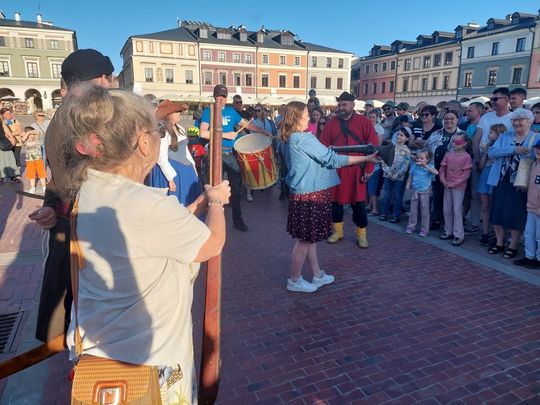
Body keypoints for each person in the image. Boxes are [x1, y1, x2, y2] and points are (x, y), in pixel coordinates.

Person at [56, 84, 229, 403]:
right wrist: (217, 203)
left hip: (102, 348)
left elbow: (152, 234)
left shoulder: (90, 189)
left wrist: (199, 203)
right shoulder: (146, 204)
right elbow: (211, 244)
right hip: (150, 357)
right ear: (144, 143)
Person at [29, 48, 116, 343]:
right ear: (96, 80)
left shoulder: (64, 115)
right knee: (92, 324)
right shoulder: (82, 119)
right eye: (107, 78)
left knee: (75, 318)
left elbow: (57, 177)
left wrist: (50, 205)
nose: (111, 85)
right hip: (85, 233)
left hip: (72, 226)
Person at [282, 101, 378, 293]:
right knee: (305, 241)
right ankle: (294, 280)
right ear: (298, 118)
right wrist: (366, 158)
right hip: (310, 193)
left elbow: (325, 154)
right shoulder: (302, 139)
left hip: (307, 192)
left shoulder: (294, 137)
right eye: (306, 114)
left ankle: (317, 275)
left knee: (310, 239)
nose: (309, 117)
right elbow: (332, 159)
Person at [319, 91, 379, 248]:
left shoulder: (364, 122)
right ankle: (337, 231)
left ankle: (361, 234)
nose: (341, 107)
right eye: (339, 105)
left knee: (359, 205)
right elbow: (322, 145)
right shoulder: (331, 123)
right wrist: (327, 152)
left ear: (352, 105)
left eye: (344, 104)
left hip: (357, 170)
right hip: (337, 170)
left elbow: (372, 148)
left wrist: (368, 170)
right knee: (335, 203)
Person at [199, 84, 262, 231]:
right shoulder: (209, 111)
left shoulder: (231, 111)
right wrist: (225, 135)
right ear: (214, 96)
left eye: (223, 96)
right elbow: (202, 133)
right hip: (216, 154)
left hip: (230, 153)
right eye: (218, 96)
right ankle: (213, 223)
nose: (220, 99)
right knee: (214, 190)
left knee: (236, 190)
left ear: (227, 98)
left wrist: (262, 131)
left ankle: (237, 221)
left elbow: (245, 124)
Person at [487, 108, 538, 259]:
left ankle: (513, 245)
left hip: (521, 182)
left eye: (520, 120)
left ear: (530, 121)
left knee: (516, 214)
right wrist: (513, 149)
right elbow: (492, 152)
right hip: (501, 180)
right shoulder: (505, 136)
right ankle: (499, 242)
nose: (516, 123)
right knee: (497, 213)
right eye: (514, 120)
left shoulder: (536, 138)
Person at [149, 100, 201, 206]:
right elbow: (161, 157)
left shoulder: (180, 129)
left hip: (185, 170)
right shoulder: (163, 131)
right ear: (169, 115)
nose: (179, 113)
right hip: (171, 171)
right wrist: (170, 179)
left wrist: (193, 167)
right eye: (176, 112)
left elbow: (185, 151)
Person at [426, 109, 467, 230]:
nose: (449, 121)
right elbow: (427, 149)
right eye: (446, 119)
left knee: (453, 198)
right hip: (436, 169)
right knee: (437, 194)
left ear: (457, 120)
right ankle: (437, 218)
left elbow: (465, 152)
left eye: (452, 118)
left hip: (455, 171)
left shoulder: (462, 135)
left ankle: (452, 222)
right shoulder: (436, 134)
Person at [439, 134, 473, 246]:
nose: (454, 144)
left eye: (457, 142)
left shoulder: (466, 157)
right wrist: (443, 179)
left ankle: (459, 234)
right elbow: (442, 168)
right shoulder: (448, 154)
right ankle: (448, 231)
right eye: (453, 141)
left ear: (464, 144)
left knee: (457, 209)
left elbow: (466, 174)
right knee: (446, 208)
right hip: (448, 185)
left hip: (458, 187)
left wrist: (454, 183)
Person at [477, 124, 507, 245]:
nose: (489, 135)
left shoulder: (502, 147)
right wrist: (484, 154)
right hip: (486, 174)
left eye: (491, 132)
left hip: (496, 175)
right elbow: (481, 166)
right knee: (485, 206)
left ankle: (497, 234)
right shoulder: (488, 146)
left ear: (499, 134)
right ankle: (485, 231)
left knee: (496, 206)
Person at [513, 139, 540, 269]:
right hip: (531, 205)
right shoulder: (534, 164)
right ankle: (529, 256)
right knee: (529, 232)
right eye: (538, 148)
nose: (539, 151)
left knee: (539, 235)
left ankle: (539, 258)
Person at [379, 127, 411, 223]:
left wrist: (397, 175)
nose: (399, 136)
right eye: (398, 134)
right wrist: (388, 172)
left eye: (402, 135)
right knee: (387, 195)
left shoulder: (407, 151)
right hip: (388, 175)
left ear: (407, 139)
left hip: (399, 177)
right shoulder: (390, 147)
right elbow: (383, 160)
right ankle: (384, 213)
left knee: (397, 195)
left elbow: (405, 166)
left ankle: (395, 215)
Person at [405, 150, 438, 237]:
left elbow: (436, 172)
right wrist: (408, 185)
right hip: (415, 191)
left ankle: (424, 229)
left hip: (425, 192)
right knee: (413, 210)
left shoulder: (429, 166)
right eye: (418, 158)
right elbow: (410, 176)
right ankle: (411, 226)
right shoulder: (415, 167)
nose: (419, 160)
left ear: (427, 159)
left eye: (422, 158)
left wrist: (426, 166)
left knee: (424, 211)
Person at [366, 110, 384, 216]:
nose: (372, 119)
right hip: (367, 157)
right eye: (370, 117)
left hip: (374, 157)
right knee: (369, 184)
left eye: (373, 117)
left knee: (373, 184)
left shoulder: (379, 128)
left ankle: (375, 209)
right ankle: (369, 205)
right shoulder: (367, 127)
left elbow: (378, 145)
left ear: (377, 118)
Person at [22, 126, 47, 193]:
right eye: (29, 134)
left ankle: (44, 186)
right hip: (29, 160)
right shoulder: (26, 141)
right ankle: (32, 187)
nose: (31, 136)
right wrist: (28, 133)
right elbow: (23, 139)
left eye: (32, 134)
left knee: (41, 173)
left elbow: (39, 132)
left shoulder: (38, 139)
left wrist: (32, 132)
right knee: (31, 174)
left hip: (38, 159)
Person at [0, 107, 23, 180]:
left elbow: (4, 127)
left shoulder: (2, 119)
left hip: (4, 141)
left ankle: (14, 175)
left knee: (11, 157)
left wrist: (11, 137)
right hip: (4, 140)